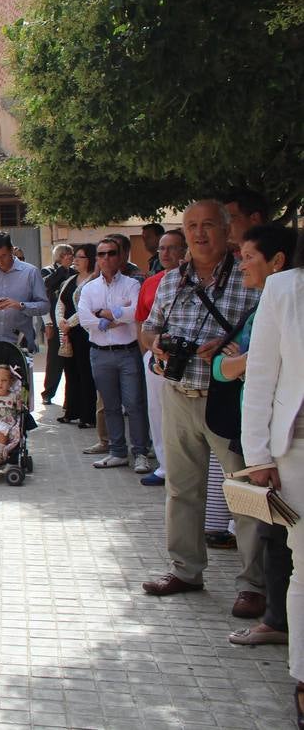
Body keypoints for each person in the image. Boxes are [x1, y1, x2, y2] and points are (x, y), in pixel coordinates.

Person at [141, 201, 264, 620]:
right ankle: (186, 571)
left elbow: (269, 333)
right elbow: (150, 328)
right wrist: (155, 344)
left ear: (227, 230)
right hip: (178, 392)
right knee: (181, 489)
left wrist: (237, 350)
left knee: (243, 495)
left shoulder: (249, 277)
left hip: (228, 397)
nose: (198, 233)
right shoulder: (172, 280)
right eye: (191, 226)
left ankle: (253, 585)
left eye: (208, 224)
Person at [214, 224, 296, 648]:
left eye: (248, 256)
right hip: (264, 438)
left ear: (278, 261)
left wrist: (241, 361)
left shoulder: (279, 299)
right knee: (275, 534)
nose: (241, 263)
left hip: (275, 439)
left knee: (279, 536)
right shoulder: (263, 304)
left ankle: (277, 618)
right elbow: (227, 368)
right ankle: (276, 616)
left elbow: (251, 366)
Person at [238, 232, 304, 720]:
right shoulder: (285, 289)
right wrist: (259, 455)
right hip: (297, 449)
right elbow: (260, 375)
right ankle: (303, 677)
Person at [79, 237, 152, 472]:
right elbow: (85, 319)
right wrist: (114, 319)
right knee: (110, 406)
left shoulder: (131, 284)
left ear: (120, 257)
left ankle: (140, 452)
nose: (106, 258)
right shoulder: (90, 288)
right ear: (97, 258)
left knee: (134, 404)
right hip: (100, 354)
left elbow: (136, 312)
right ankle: (117, 451)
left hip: (127, 352)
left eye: (111, 253)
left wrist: (109, 314)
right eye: (101, 254)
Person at [135, 230, 188, 486]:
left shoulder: (192, 279)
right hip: (156, 357)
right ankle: (165, 466)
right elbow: (142, 320)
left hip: (188, 359)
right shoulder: (151, 282)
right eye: (162, 249)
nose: (165, 253)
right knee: (157, 410)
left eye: (172, 248)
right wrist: (146, 350)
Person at [0, 232, 48, 352]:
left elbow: (44, 306)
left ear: (12, 250)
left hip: (21, 345)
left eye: (3, 256)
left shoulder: (30, 273)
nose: (0, 261)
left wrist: (20, 305)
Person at [57, 244, 98, 433]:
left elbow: (85, 308)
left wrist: (69, 323)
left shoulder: (93, 281)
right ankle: (71, 410)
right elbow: (60, 303)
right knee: (70, 372)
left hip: (84, 333)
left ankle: (87, 415)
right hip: (68, 333)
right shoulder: (70, 279)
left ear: (89, 259)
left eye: (80, 257)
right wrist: (60, 321)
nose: (76, 260)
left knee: (85, 373)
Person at [41, 244, 75, 404]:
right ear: (61, 256)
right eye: (68, 254)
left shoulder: (75, 272)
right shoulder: (48, 271)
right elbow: (46, 286)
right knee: (54, 360)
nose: (71, 257)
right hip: (54, 322)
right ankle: (48, 393)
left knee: (72, 362)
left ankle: (71, 400)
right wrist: (47, 324)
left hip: (72, 322)